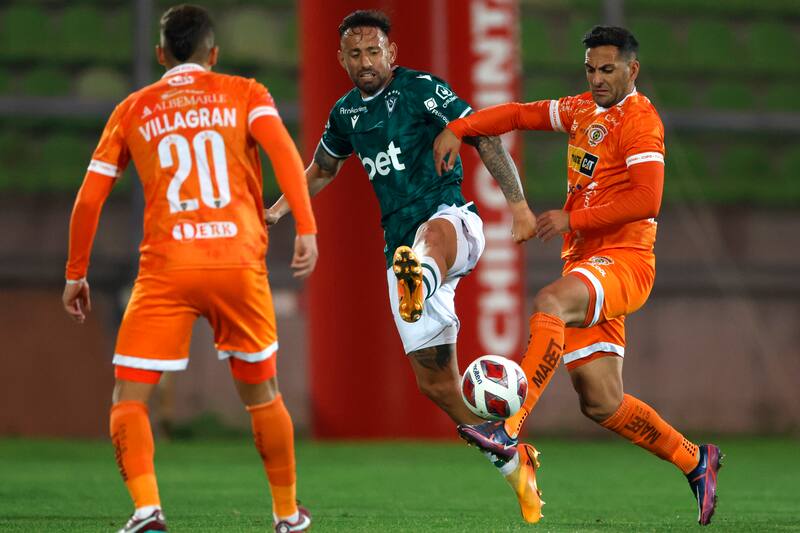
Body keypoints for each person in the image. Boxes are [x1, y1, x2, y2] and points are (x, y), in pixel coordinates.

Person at [434, 25, 722, 526]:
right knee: (600, 401)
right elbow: (519, 114)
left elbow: (647, 199)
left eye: (607, 69)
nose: (597, 79)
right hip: (586, 263)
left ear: (632, 69)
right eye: (590, 69)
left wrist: (574, 219)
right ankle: (696, 460)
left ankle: (509, 428)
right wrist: (460, 127)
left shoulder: (640, 121)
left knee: (550, 302)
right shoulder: (581, 110)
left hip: (626, 261)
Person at [265, 9, 543, 522]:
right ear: (341, 58)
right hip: (400, 248)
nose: (365, 61)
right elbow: (323, 168)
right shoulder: (346, 114)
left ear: (391, 53)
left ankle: (420, 276)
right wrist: (281, 209)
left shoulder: (420, 90)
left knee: (427, 239)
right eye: (355, 54)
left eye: (374, 51)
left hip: (452, 223)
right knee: (434, 382)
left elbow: (482, 134)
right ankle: (510, 458)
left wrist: (519, 207)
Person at [62, 5, 317, 532]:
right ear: (213, 53)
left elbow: (89, 198)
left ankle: (147, 510)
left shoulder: (133, 108)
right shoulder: (246, 93)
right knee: (262, 394)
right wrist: (306, 228)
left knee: (129, 396)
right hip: (237, 262)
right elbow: (285, 154)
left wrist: (76, 273)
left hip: (167, 268)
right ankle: (287, 515)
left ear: (161, 54)